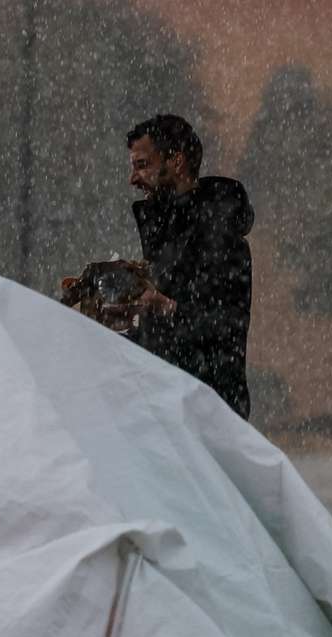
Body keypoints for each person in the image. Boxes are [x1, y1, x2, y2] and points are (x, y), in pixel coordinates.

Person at [117, 114, 254, 419]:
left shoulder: (218, 233)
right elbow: (167, 335)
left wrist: (164, 306)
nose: (133, 179)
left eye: (142, 165)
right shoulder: (168, 233)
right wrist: (120, 322)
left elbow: (224, 325)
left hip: (206, 415)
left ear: (176, 162)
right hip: (171, 409)